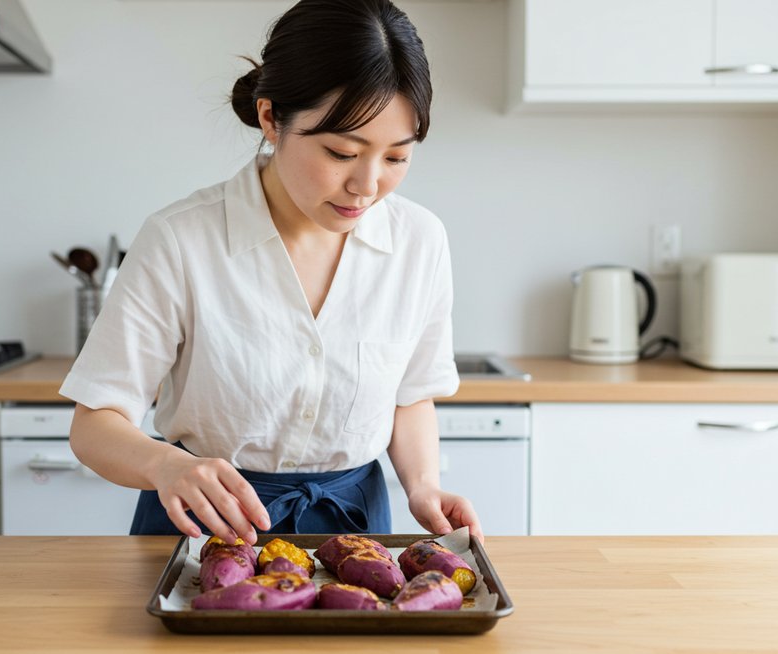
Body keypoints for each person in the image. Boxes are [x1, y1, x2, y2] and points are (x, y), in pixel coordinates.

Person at [60, 0, 482, 546]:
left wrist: (423, 486)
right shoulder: (182, 239)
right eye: (341, 152)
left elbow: (410, 395)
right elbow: (95, 424)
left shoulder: (419, 242)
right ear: (270, 118)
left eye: (396, 158)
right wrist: (164, 465)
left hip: (352, 532)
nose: (367, 185)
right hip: (205, 530)